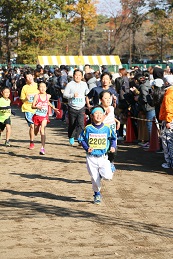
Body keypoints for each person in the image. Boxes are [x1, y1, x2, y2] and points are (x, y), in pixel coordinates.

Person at [80, 105, 117, 204]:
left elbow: (113, 138)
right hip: (91, 157)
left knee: (108, 177)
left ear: (104, 115)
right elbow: (81, 139)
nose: (99, 115)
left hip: (103, 157)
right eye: (96, 113)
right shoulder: (88, 128)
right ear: (92, 116)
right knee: (94, 178)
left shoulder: (107, 128)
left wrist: (113, 146)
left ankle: (110, 166)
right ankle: (97, 194)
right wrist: (87, 148)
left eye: (101, 113)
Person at [32, 82, 59, 155]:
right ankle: (36, 130)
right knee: (36, 131)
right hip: (37, 116)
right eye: (41, 87)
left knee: (42, 129)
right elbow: (32, 106)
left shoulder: (48, 96)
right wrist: (37, 107)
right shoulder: (37, 96)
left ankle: (42, 148)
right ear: (38, 88)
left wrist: (54, 108)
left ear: (46, 88)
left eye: (44, 87)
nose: (42, 88)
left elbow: (48, 103)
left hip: (44, 116)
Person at [63, 69, 89, 145]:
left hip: (81, 107)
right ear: (73, 76)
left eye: (79, 75)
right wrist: (72, 95)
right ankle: (71, 136)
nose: (77, 77)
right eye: (76, 75)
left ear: (82, 76)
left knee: (81, 124)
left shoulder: (84, 84)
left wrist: (88, 93)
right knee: (72, 123)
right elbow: (65, 94)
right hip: (72, 107)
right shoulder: (70, 84)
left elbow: (87, 91)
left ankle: (80, 138)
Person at [99, 90, 120, 172]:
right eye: (105, 98)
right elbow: (99, 120)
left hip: (113, 133)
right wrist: (106, 114)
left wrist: (117, 121)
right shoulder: (99, 109)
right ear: (101, 100)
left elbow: (111, 117)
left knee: (113, 150)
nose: (108, 100)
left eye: (109, 98)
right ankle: (103, 166)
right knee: (104, 151)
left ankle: (111, 162)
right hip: (103, 134)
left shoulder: (111, 108)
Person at [20, 70, 39, 149]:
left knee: (36, 127)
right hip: (28, 109)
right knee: (32, 125)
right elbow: (22, 99)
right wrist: (25, 99)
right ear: (25, 79)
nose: (29, 78)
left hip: (37, 108)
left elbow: (43, 94)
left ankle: (36, 130)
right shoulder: (25, 87)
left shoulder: (38, 86)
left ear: (33, 76)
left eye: (30, 76)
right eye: (27, 77)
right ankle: (31, 142)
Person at [159, 75, 173, 168]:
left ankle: (169, 163)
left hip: (169, 120)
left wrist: (168, 120)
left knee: (167, 142)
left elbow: (169, 109)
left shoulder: (168, 94)